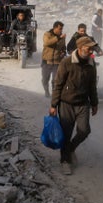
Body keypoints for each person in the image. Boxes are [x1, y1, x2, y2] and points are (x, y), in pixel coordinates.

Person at [49, 36, 99, 175]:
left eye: (91, 48)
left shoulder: (91, 64)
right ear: (80, 48)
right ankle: (65, 161)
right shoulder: (66, 62)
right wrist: (54, 105)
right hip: (66, 104)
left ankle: (70, 148)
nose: (90, 51)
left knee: (84, 131)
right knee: (66, 133)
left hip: (83, 103)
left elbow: (92, 86)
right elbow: (57, 84)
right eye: (88, 48)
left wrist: (94, 103)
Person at [42, 21, 67, 98]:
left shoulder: (61, 37)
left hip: (57, 62)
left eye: (62, 29)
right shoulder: (47, 34)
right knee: (45, 79)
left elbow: (63, 47)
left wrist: (63, 52)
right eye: (59, 29)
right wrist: (58, 38)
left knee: (55, 80)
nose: (61, 30)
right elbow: (47, 43)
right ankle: (46, 91)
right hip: (47, 61)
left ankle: (54, 94)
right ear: (55, 28)